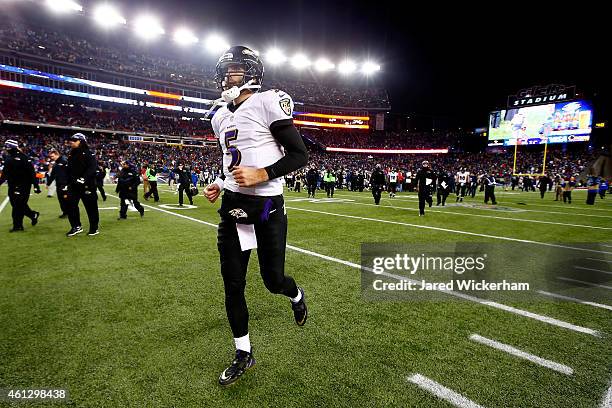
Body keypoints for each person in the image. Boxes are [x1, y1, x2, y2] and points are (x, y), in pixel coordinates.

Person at [204, 46, 309, 386]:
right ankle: (243, 353)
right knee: (233, 284)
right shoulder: (220, 113)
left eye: (233, 70)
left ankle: (296, 296)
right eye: (225, 70)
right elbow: (232, 158)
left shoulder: (267, 101)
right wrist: (220, 182)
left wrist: (263, 173)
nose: (226, 76)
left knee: (272, 280)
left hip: (267, 207)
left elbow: (299, 155)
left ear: (250, 72)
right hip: (233, 205)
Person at [0, 139, 41, 232]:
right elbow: (4, 175)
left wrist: (36, 186)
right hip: (12, 186)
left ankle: (18, 226)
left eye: (7, 147)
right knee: (18, 205)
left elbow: (31, 173)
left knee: (17, 207)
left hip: (24, 186)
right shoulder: (9, 158)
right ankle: (33, 215)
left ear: (11, 147)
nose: (6, 149)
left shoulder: (24, 158)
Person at [65, 133, 99, 237]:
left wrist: (83, 179)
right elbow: (69, 170)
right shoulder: (71, 154)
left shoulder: (89, 153)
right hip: (73, 185)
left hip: (87, 185)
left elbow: (92, 169)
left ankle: (94, 228)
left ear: (81, 141)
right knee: (70, 205)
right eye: (72, 140)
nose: (72, 142)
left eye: (75, 140)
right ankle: (76, 226)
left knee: (91, 207)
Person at [47, 148, 70, 218]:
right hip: (59, 184)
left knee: (66, 199)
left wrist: (68, 183)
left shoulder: (64, 160)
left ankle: (69, 213)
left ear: (57, 154)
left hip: (65, 184)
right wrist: (48, 183)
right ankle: (65, 212)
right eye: (50, 157)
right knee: (61, 199)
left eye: (52, 156)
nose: (51, 158)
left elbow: (70, 172)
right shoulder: (56, 163)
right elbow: (53, 175)